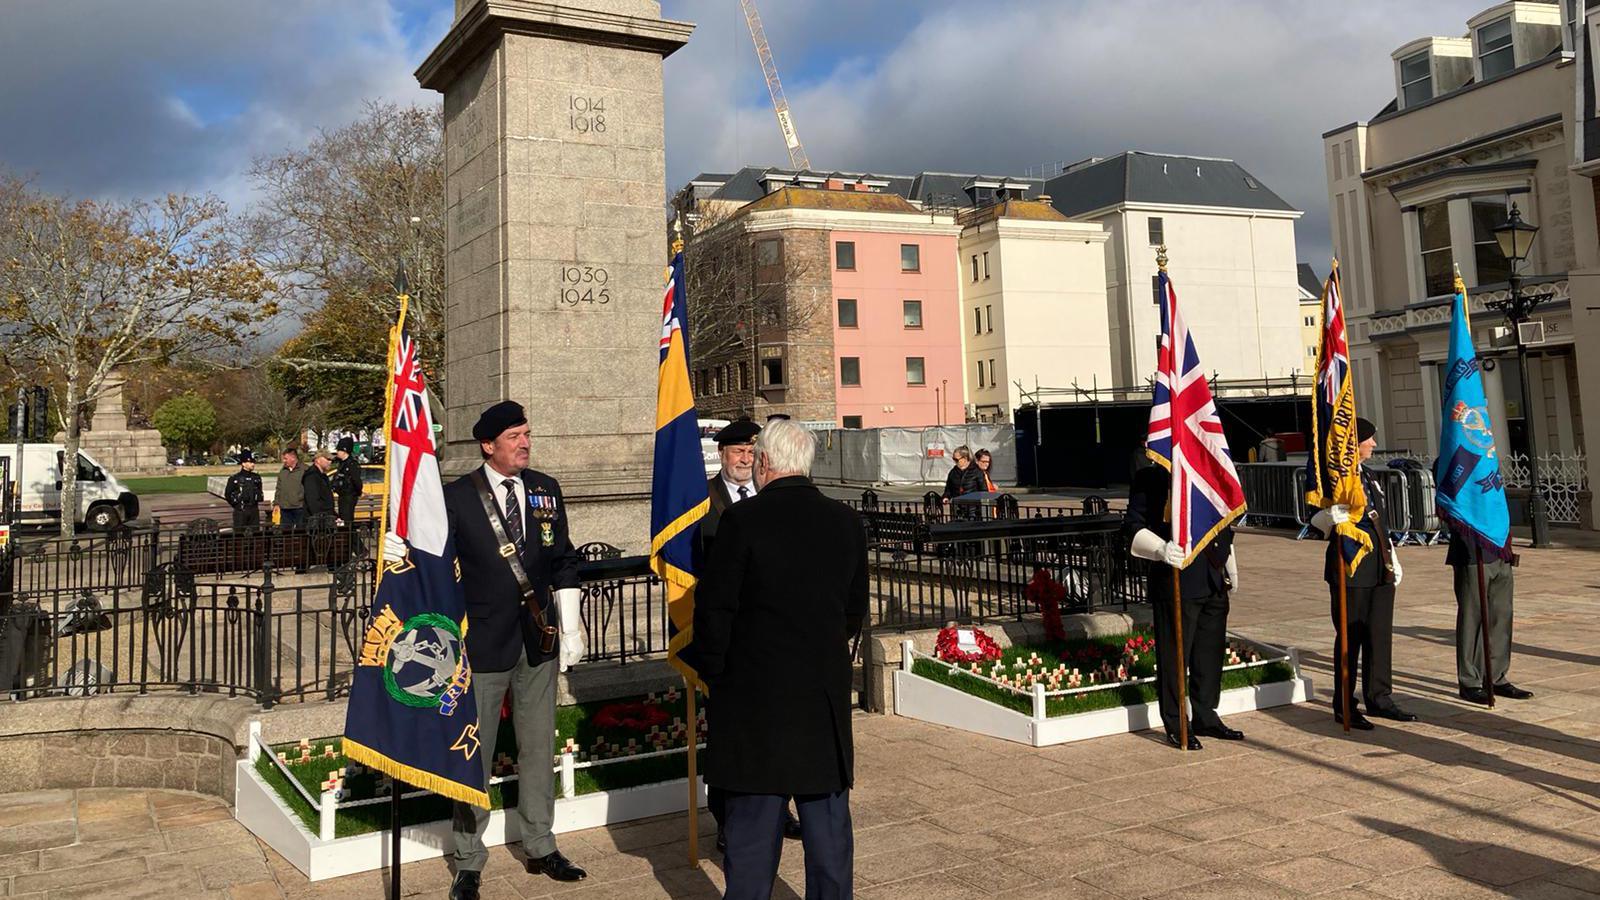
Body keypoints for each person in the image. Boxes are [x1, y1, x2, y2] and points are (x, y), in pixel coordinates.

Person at [400, 400, 587, 899]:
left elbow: (563, 557)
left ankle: (540, 844)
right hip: (480, 644)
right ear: (488, 445)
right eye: (514, 438)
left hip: (537, 639)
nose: (525, 444)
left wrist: (571, 624)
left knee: (537, 744)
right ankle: (468, 858)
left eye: (527, 434)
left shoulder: (546, 489)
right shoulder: (458, 497)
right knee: (472, 754)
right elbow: (435, 569)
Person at [686, 418, 867, 900]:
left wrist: (715, 674)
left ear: (764, 462)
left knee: (750, 847)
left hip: (753, 705)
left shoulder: (741, 521)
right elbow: (854, 611)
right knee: (829, 841)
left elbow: (715, 610)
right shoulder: (847, 522)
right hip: (821, 704)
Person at [698, 418, 804, 853]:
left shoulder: (773, 496)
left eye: (750, 451)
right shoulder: (701, 500)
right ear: (721, 454)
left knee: (778, 728)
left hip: (771, 637)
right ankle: (726, 819)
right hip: (727, 636)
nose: (745, 458)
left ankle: (780, 809)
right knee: (728, 735)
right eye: (737, 451)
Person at [1124, 461, 1241, 750]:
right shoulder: (1151, 477)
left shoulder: (1209, 468)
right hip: (1178, 577)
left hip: (1213, 576)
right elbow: (1133, 525)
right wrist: (1160, 548)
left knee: (1209, 654)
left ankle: (1205, 714)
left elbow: (1223, 523)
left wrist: (1230, 566)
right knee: (1175, 655)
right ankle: (1176, 721)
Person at [1310, 417, 1414, 729]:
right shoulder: (1331, 479)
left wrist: (1392, 557)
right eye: (1368, 439)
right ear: (1353, 444)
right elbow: (1312, 519)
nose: (1373, 444)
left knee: (1379, 634)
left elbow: (1379, 519)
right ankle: (1345, 704)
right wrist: (1331, 516)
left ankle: (1379, 697)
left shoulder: (1368, 476)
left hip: (1378, 562)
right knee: (1350, 636)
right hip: (1349, 564)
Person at [1449, 524, 1531, 706]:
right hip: (1472, 549)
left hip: (1500, 549)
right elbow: (1449, 504)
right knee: (1473, 617)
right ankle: (1470, 681)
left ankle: (1496, 676)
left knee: (1501, 615)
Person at [223, 450, 264, 531]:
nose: (253, 464)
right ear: (243, 464)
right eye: (250, 462)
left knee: (255, 535)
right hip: (241, 511)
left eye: (253, 462)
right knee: (239, 536)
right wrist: (236, 505)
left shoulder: (256, 478)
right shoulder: (235, 478)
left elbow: (259, 490)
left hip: (254, 510)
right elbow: (228, 494)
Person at [332, 436, 363, 525]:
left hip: (349, 496)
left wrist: (357, 492)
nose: (337, 452)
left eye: (339, 450)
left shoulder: (351, 464)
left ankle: (353, 538)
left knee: (347, 520)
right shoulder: (342, 464)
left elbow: (357, 481)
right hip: (342, 495)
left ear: (344, 451)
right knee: (343, 520)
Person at [274, 447, 307, 528]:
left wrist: (301, 499)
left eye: (286, 458)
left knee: (301, 531)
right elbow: (279, 488)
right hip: (285, 508)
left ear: (293, 458)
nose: (284, 461)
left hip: (299, 507)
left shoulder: (305, 470)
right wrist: (276, 503)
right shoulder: (283, 471)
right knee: (286, 533)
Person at [303, 451, 335, 520]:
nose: (330, 462)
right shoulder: (311, 476)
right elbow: (313, 500)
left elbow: (327, 499)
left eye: (331, 460)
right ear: (318, 460)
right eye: (327, 459)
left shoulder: (323, 476)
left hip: (326, 518)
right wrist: (321, 518)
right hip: (317, 521)